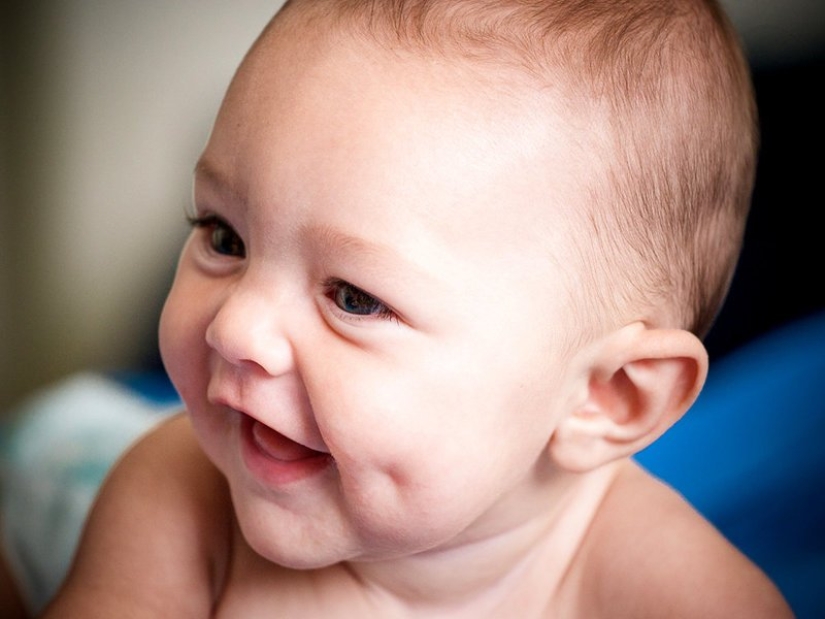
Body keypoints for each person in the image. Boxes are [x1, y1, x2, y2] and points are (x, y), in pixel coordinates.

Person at [40, 0, 794, 616]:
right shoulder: (176, 493)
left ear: (606, 396)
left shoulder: (674, 594)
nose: (234, 326)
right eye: (224, 234)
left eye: (355, 298)